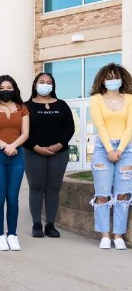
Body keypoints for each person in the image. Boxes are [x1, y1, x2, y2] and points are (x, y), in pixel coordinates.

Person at [24, 72, 75, 239]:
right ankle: (37, 224)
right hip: (34, 153)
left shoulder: (61, 105)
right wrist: (36, 147)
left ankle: (51, 225)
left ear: (53, 86)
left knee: (53, 189)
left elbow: (70, 128)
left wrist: (58, 145)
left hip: (59, 153)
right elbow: (22, 132)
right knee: (36, 187)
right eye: (41, 81)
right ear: (35, 85)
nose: (45, 85)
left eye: (48, 82)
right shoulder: (26, 106)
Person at [0, 75, 29, 251]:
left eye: (9, 87)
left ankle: (13, 235)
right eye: (2, 88)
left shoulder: (22, 108)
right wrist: (5, 146)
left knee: (13, 198)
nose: (6, 90)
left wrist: (14, 146)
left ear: (14, 89)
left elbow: (25, 133)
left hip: (17, 154)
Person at [89, 63, 132, 250]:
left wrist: (119, 149)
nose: (112, 80)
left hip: (126, 149)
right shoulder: (96, 99)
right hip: (102, 149)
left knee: (123, 194)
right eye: (109, 77)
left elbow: (130, 126)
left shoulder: (130, 98)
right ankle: (105, 234)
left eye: (116, 77)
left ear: (122, 79)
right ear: (102, 80)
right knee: (103, 192)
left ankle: (119, 235)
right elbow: (100, 126)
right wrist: (109, 149)